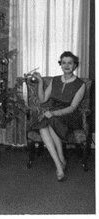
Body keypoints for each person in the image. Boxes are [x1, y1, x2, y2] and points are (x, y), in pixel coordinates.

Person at [32, 51, 86, 182]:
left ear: (75, 65)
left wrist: (53, 113)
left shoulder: (80, 84)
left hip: (70, 115)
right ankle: (59, 164)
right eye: (63, 63)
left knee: (50, 120)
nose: (66, 65)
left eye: (70, 63)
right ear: (60, 65)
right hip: (53, 113)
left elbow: (73, 107)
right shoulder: (54, 80)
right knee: (43, 127)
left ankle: (61, 159)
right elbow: (43, 99)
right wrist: (40, 83)